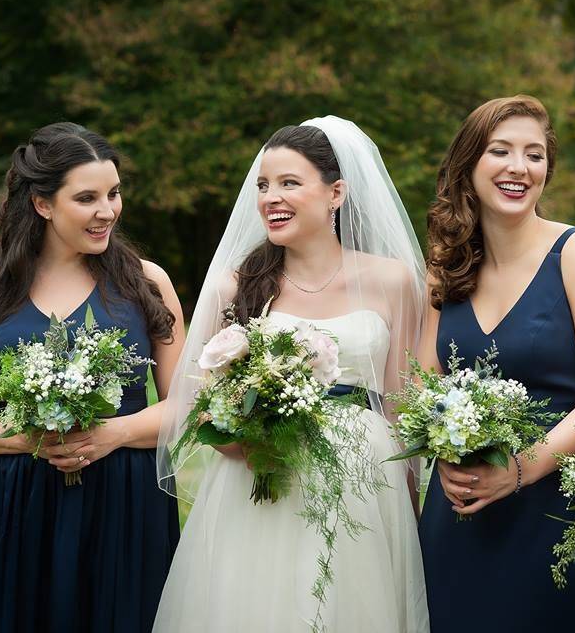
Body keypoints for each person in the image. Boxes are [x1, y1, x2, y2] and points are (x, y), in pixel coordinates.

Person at [154, 117, 429, 632]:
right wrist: (236, 443)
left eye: (289, 183)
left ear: (335, 193)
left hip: (364, 481)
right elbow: (195, 402)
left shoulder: (392, 281)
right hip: (260, 477)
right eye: (263, 185)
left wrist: (409, 510)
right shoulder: (232, 289)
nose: (270, 198)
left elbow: (400, 406)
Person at [0, 122, 184, 632]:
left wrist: (109, 434)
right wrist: (33, 439)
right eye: (88, 197)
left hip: (126, 498)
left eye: (114, 194)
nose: (108, 211)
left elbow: (186, 403)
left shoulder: (147, 282)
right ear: (42, 204)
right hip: (15, 497)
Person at [417, 95, 575, 632]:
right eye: (501, 151)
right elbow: (422, 387)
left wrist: (517, 471)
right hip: (458, 506)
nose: (519, 167)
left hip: (550, 510)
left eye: (534, 155)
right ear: (469, 165)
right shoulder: (445, 266)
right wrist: (444, 458)